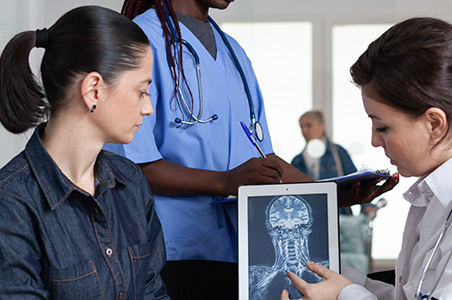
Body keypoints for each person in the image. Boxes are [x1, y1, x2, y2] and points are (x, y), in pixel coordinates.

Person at [106, 0, 399, 299]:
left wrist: (327, 195)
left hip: (241, 255)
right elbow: (128, 165)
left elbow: (262, 157)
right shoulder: (138, 40)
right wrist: (223, 182)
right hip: (176, 252)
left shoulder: (233, 52)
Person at [281, 17, 452, 300]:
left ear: (435, 124)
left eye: (383, 127)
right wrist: (343, 280)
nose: (375, 140)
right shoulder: (438, 196)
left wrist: (346, 295)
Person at [0, 6, 170, 299]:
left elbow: (153, 292)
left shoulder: (131, 182)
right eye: (141, 91)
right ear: (93, 89)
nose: (148, 107)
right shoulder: (12, 204)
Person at [292, 110, 377, 273]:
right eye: (301, 127)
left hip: (342, 218)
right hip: (313, 222)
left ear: (322, 126)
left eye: (309, 125)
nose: (304, 131)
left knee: (346, 264)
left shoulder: (338, 153)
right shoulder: (298, 160)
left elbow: (356, 180)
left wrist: (367, 206)